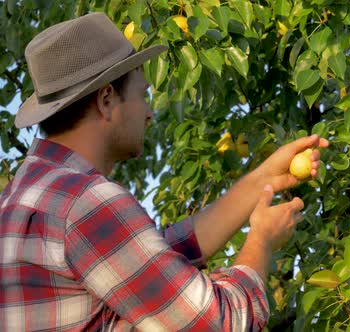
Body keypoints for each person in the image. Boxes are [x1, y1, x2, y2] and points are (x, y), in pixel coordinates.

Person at [0, 12, 328, 331]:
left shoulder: (19, 197)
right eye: (143, 95)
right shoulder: (87, 202)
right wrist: (262, 239)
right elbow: (218, 323)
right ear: (106, 100)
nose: (148, 113)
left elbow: (151, 258)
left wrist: (263, 180)